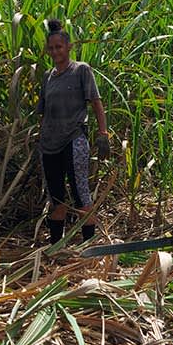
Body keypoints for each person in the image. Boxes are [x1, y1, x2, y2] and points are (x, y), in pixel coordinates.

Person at [39, 19, 110, 244]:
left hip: (74, 140)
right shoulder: (47, 77)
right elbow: (43, 113)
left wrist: (103, 134)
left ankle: (89, 247)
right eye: (51, 48)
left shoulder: (81, 70)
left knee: (81, 195)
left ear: (69, 47)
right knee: (56, 198)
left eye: (59, 47)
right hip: (49, 145)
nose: (55, 51)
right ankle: (55, 247)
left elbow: (96, 103)